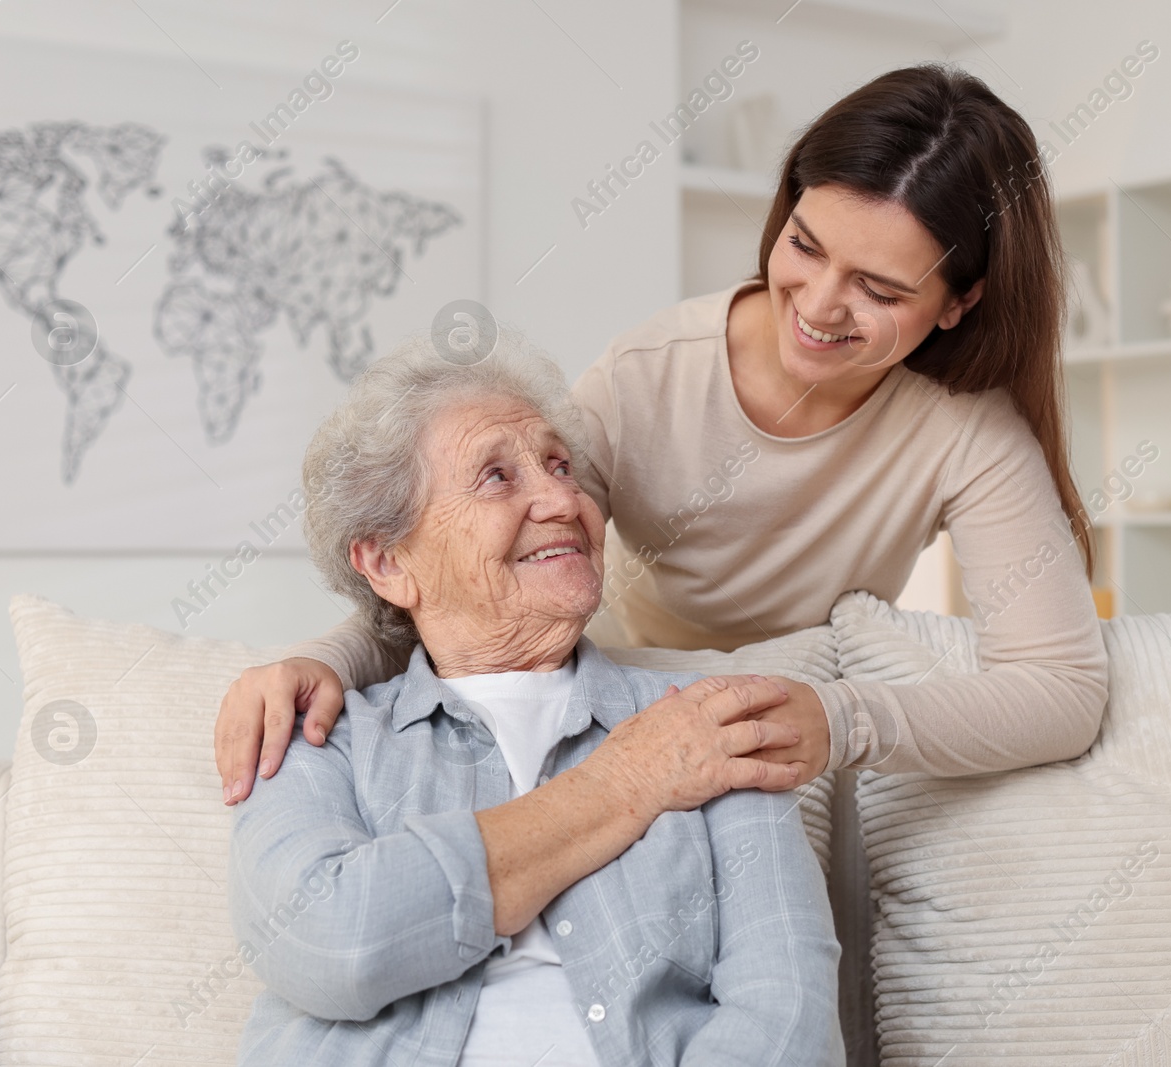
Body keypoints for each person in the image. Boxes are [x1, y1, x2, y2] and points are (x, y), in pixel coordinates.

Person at [216, 61, 1108, 809]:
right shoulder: (653, 373)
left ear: (961, 301)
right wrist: (320, 658)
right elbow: (475, 568)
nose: (820, 304)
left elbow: (1064, 689)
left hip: (789, 739)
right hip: (611, 717)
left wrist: (841, 720)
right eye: (803, 244)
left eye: (878, 291)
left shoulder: (968, 433)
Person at [228, 332, 842, 1065]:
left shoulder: (711, 724)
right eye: (496, 477)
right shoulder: (318, 737)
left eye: (560, 466)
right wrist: (626, 780)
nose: (563, 499)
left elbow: (788, 1016)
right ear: (389, 561)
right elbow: (333, 939)